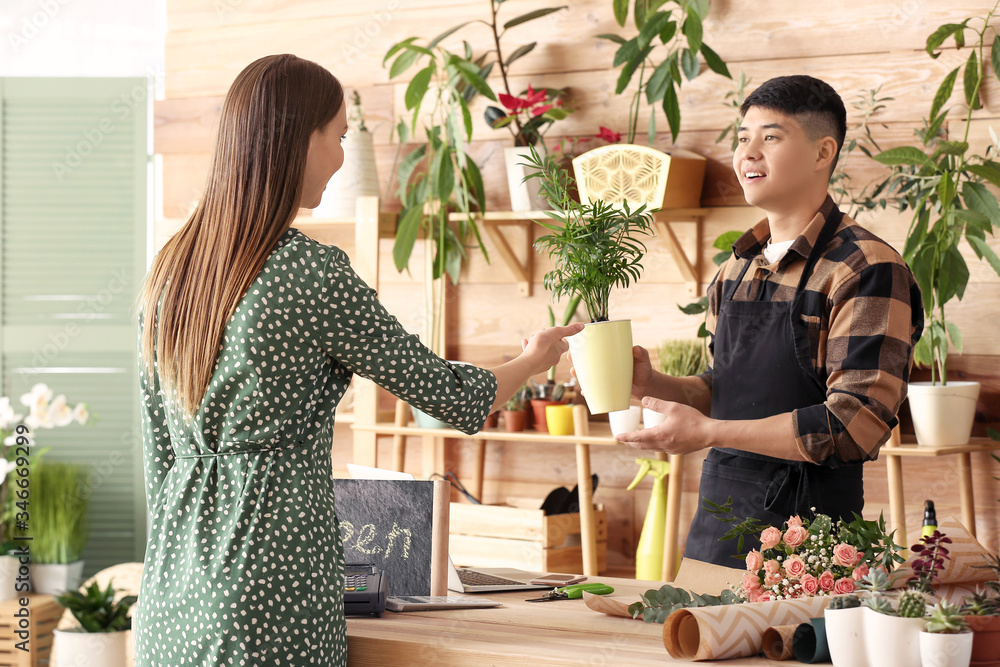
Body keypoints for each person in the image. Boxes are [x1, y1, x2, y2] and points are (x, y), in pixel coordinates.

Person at [132, 54, 582, 666]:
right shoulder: (313, 275)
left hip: (170, 594)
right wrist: (533, 358)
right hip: (269, 594)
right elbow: (452, 397)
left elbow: (159, 456)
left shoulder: (169, 270)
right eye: (338, 137)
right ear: (298, 140)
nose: (342, 157)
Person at [613, 75, 923, 567]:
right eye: (742, 138)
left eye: (770, 137)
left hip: (813, 545)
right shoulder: (737, 267)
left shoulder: (865, 268)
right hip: (717, 528)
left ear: (823, 153)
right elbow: (728, 387)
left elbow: (852, 425)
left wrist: (709, 433)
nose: (747, 153)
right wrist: (654, 385)